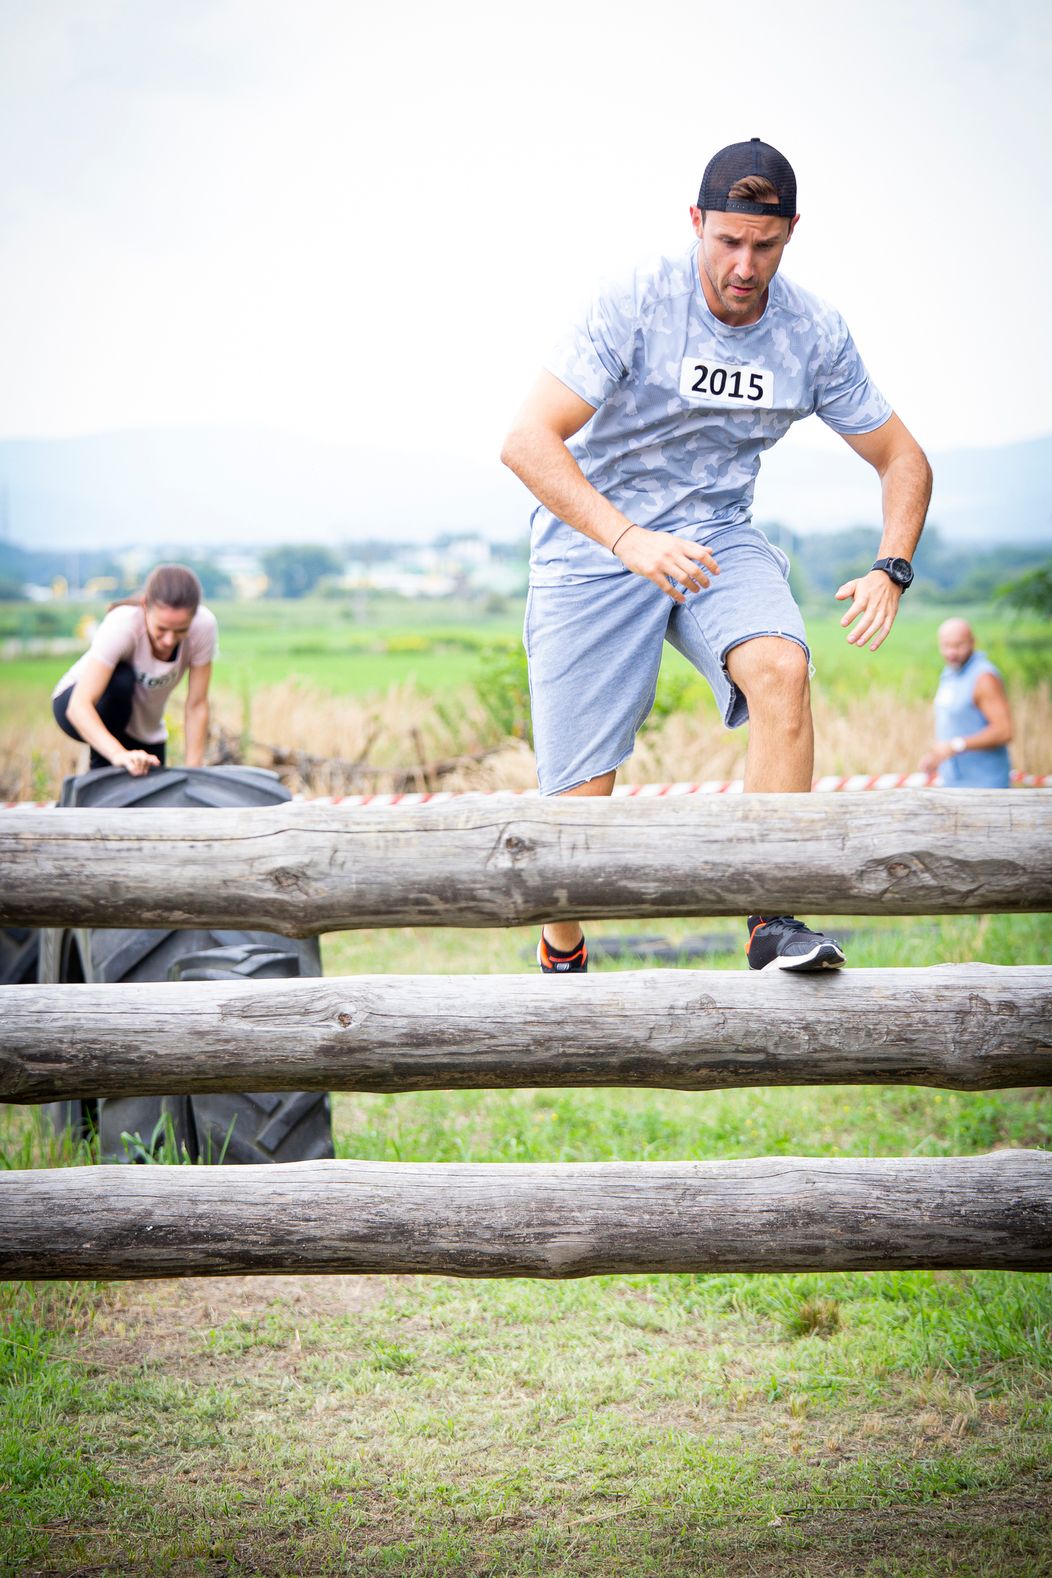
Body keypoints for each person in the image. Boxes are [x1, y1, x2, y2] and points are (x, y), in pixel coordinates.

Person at [501, 137, 932, 974]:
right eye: (728, 241)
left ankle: (772, 918)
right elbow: (525, 441)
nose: (744, 264)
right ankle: (563, 948)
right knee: (578, 816)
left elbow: (903, 458)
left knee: (780, 668)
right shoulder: (635, 299)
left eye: (764, 246)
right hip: (598, 544)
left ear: (791, 234)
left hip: (715, 537)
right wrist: (626, 537)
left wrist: (892, 566)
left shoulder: (811, 333)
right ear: (696, 223)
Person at [52, 563, 217, 777]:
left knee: (153, 793)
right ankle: (101, 771)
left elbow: (196, 705)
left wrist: (194, 772)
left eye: (180, 630)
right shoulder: (123, 624)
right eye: (162, 629)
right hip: (78, 705)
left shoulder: (204, 627)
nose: (169, 640)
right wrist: (118, 754)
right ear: (145, 605)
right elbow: (79, 707)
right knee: (122, 679)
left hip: (143, 728)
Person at [919, 618, 1012, 787]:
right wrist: (938, 755)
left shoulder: (984, 677)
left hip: (984, 786)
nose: (951, 652)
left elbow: (1004, 731)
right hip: (954, 782)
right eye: (946, 646)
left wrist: (956, 745)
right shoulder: (950, 672)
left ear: (973, 642)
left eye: (958, 645)